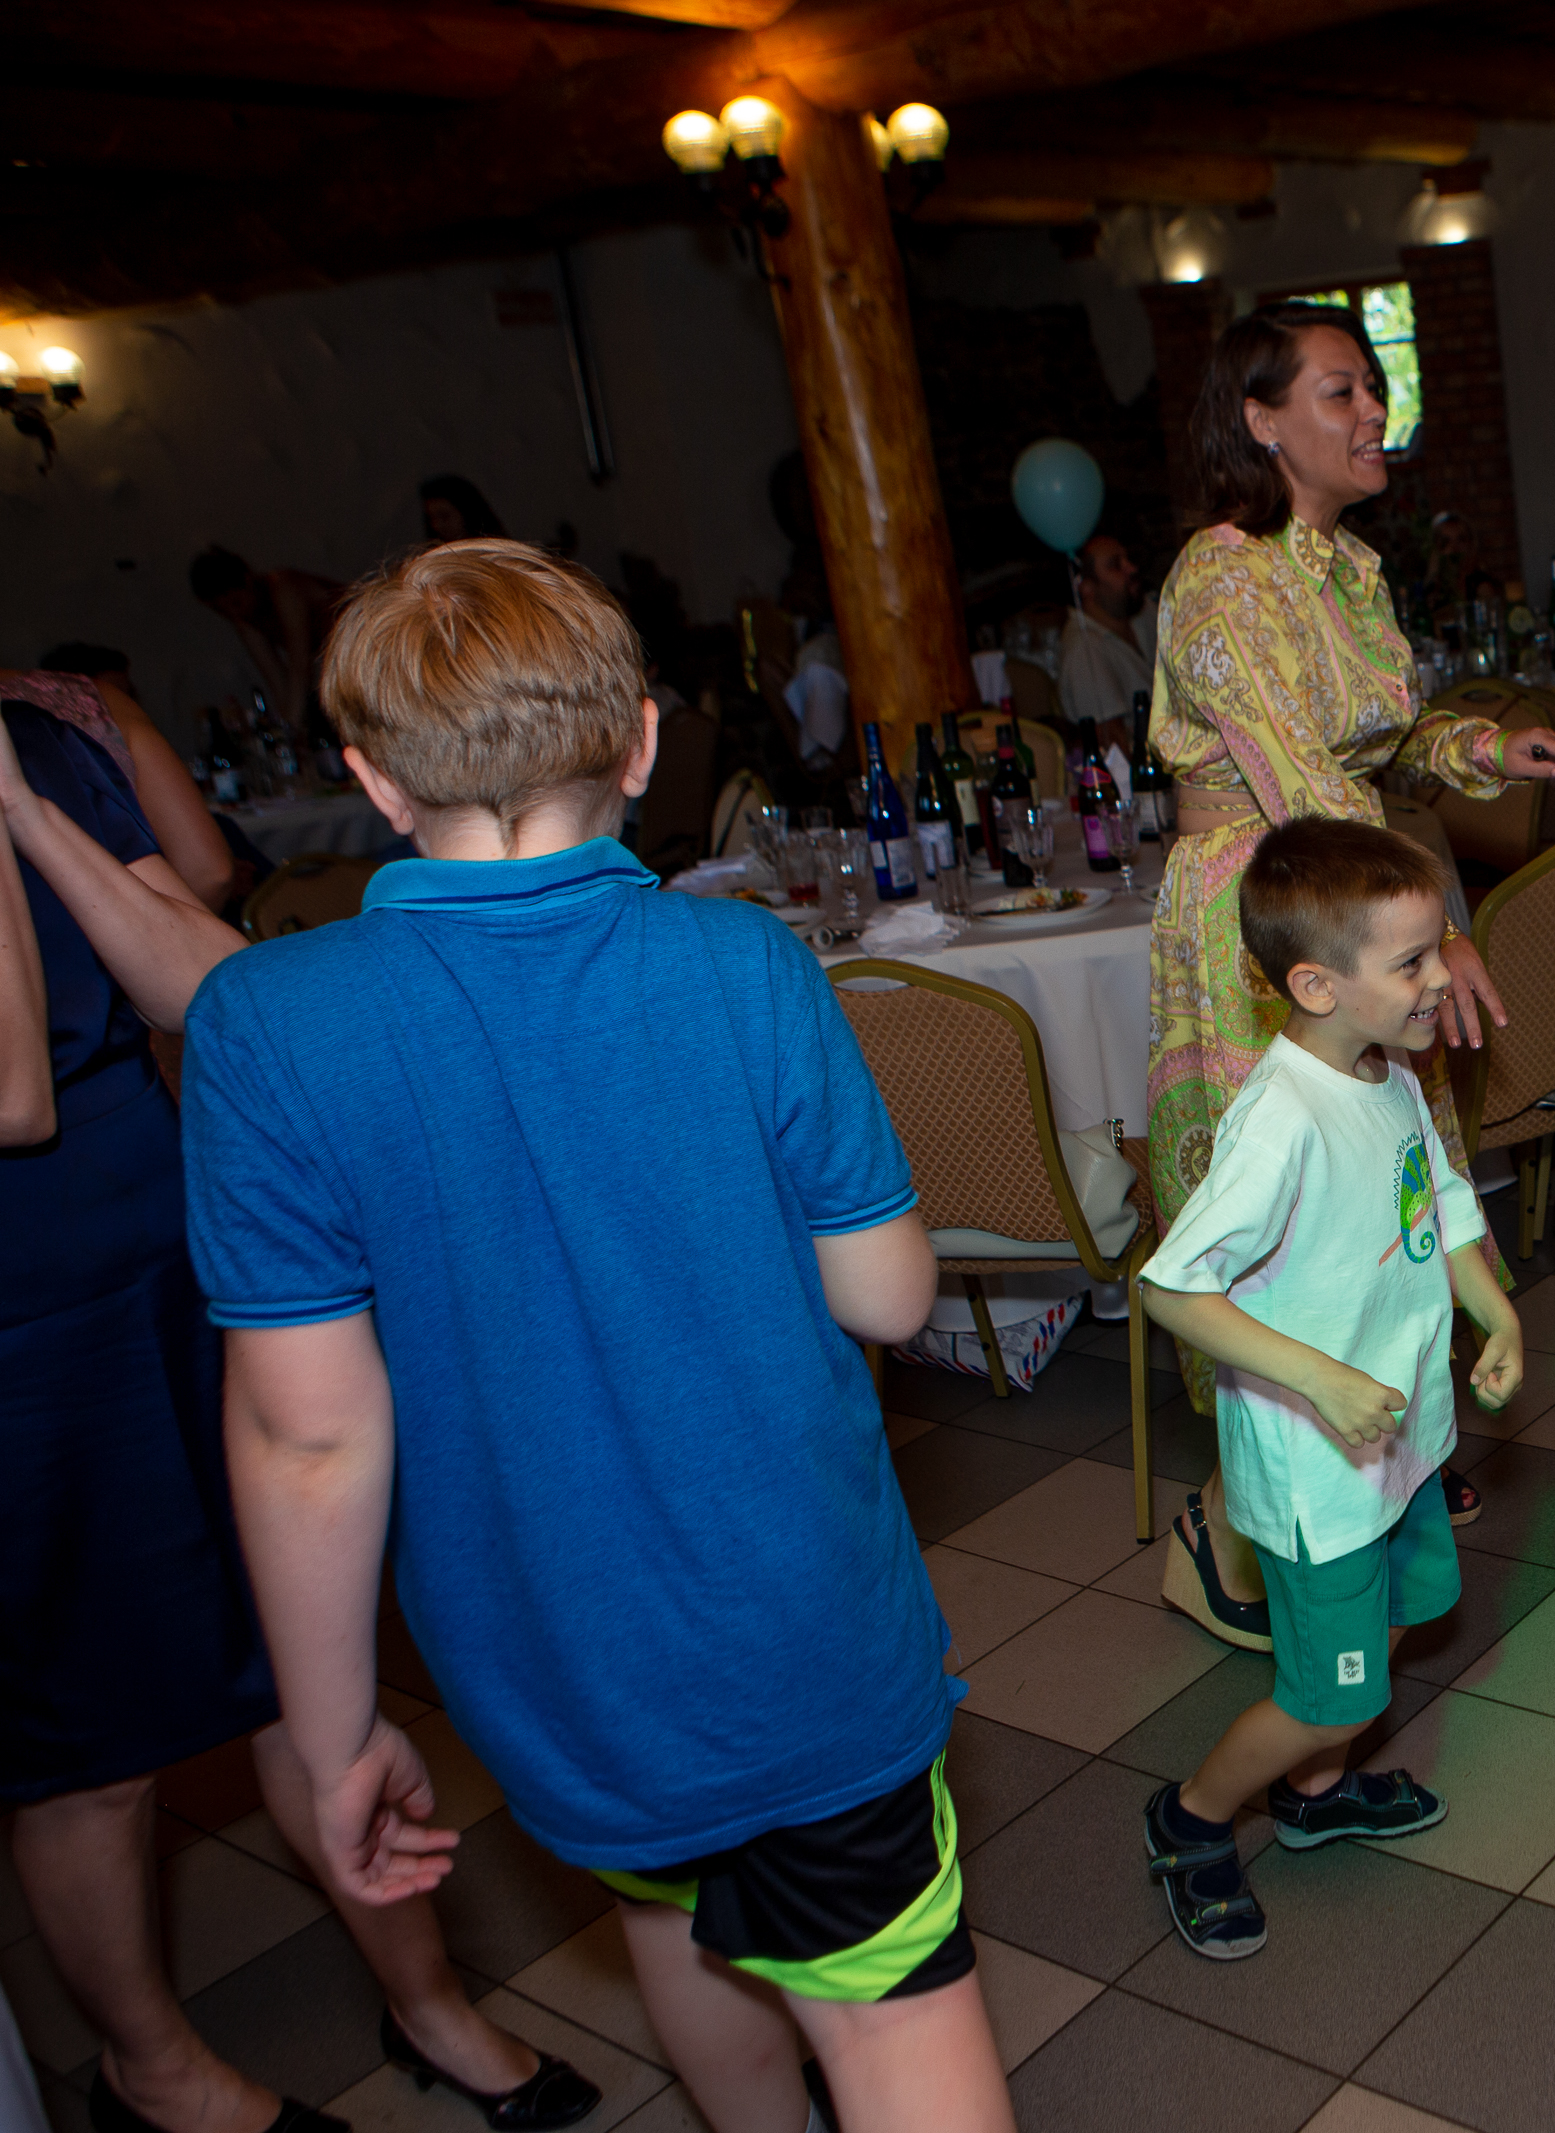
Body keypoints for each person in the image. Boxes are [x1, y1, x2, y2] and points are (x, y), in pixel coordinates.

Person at [182, 540, 1013, 2133]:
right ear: (638, 743)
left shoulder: (262, 1025)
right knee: (891, 2016)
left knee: (674, 1909)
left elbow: (307, 1433)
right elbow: (889, 1298)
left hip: (553, 1666)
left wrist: (337, 1740)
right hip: (797, 1647)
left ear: (371, 777)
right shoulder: (747, 963)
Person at [2, 671, 593, 2133]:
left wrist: (29, 800)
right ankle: (150, 2068)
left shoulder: (34, 743)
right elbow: (15, 1093)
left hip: (172, 1245)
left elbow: (207, 982)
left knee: (298, 1651)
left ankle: (428, 2002)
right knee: (91, 1744)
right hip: (24, 1319)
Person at [1144, 302, 1555, 1652]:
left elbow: (1377, 746)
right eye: (1340, 390)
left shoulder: (1348, 568)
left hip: (1351, 895)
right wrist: (1431, 925)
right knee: (1281, 1218)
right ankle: (1228, 1521)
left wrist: (1481, 752)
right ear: (1261, 420)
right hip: (1269, 915)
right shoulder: (1223, 578)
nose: (1371, 412)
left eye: (1374, 387)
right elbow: (1296, 783)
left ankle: (1373, 1451)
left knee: (1378, 1192)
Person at [1134, 818, 1520, 1959]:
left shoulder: (1387, 1073)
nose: (1440, 976)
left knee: (1405, 1613)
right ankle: (1192, 1819)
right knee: (1332, 1693)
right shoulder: (1280, 1120)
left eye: (1437, 947)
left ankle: (1312, 1793)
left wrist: (1492, 1305)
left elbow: (1436, 1200)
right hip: (1319, 1471)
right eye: (1412, 961)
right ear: (1315, 985)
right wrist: (1321, 1380)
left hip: (1396, 1444)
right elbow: (1171, 1287)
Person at [32, 645, 234, 911]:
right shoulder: (82, 704)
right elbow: (209, 875)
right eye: (123, 695)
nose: (132, 704)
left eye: (130, 694)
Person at [188, 548, 347, 752]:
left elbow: (300, 668)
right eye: (224, 612)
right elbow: (279, 684)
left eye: (236, 602)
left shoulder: (284, 588)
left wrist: (290, 731)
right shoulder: (244, 619)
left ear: (247, 581)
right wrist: (286, 735)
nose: (236, 614)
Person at [1054, 530, 1154, 731]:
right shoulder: (1084, 651)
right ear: (1087, 587)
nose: (1131, 569)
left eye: (1128, 559)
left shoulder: (1143, 612)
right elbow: (1111, 741)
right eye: (1115, 565)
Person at [416, 475, 506, 547]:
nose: (436, 526)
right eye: (431, 518)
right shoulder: (432, 557)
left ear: (468, 513)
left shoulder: (497, 554)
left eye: (444, 516)